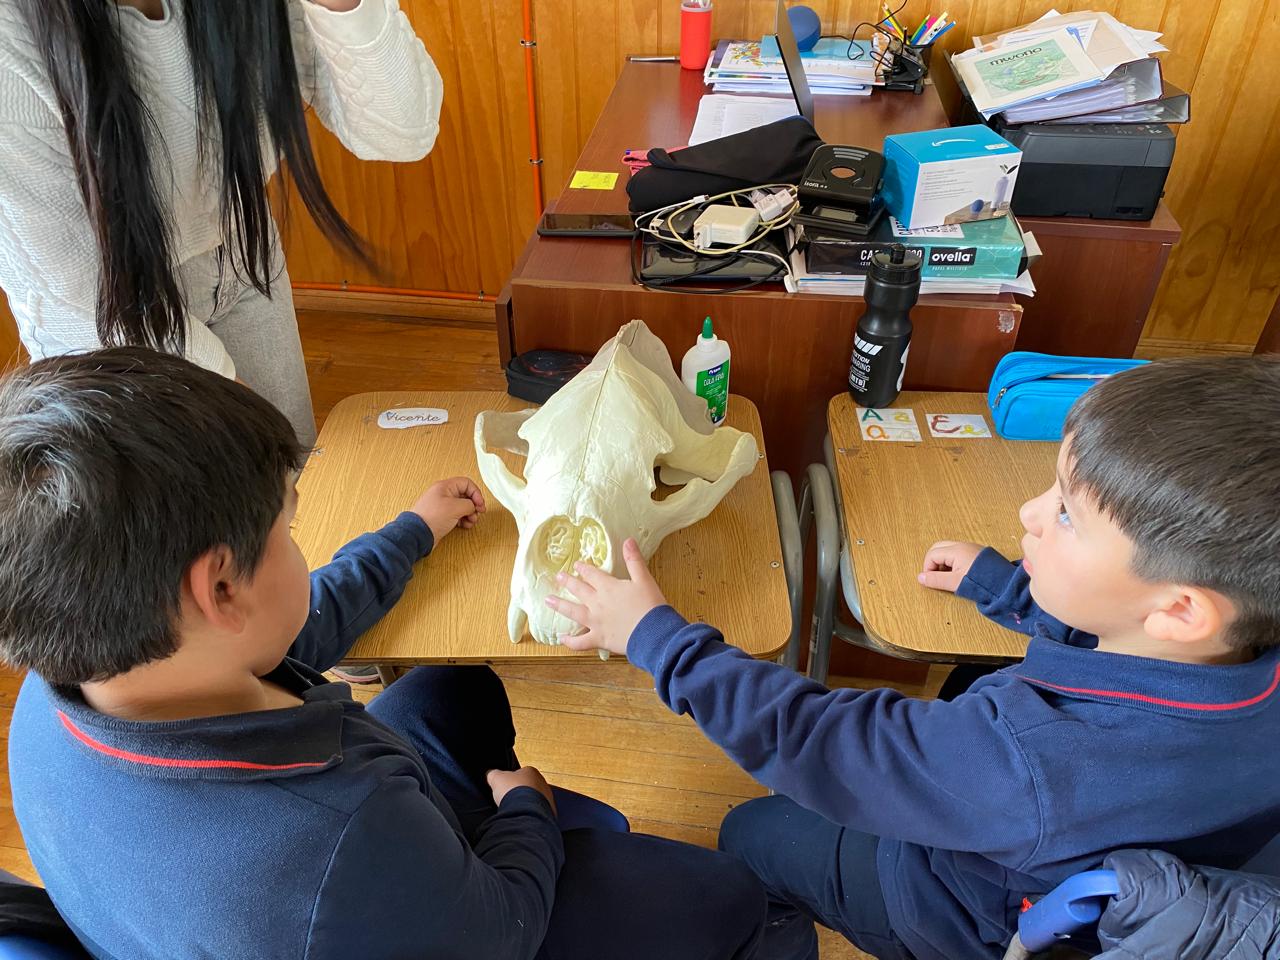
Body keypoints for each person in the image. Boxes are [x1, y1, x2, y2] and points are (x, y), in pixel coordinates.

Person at [0, 348, 766, 960]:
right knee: (734, 897)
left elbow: (299, 623)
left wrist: (413, 530)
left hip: (314, 888)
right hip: (437, 907)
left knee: (449, 689)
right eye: (289, 532)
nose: (299, 549)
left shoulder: (69, 690)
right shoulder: (345, 834)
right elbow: (502, 929)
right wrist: (527, 808)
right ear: (221, 591)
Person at [548, 355, 1280, 960]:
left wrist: (653, 636)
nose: (1030, 512)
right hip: (1077, 850)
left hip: (950, 909)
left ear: (1181, 609)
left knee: (750, 832)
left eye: (1066, 514)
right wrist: (1008, 589)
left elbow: (818, 740)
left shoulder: (1031, 763)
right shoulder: (1245, 650)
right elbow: (1120, 633)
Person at [0, 0, 443, 451]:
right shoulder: (11, 41)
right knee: (222, 498)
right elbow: (87, 295)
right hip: (110, 325)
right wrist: (257, 433)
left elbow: (402, 132)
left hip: (244, 252)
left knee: (294, 490)